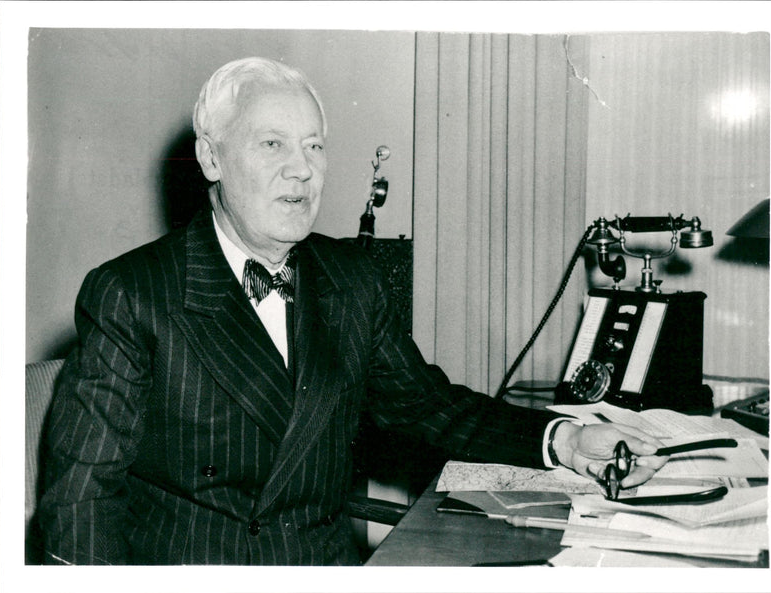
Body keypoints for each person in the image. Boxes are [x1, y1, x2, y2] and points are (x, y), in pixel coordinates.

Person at [38, 56, 667, 566]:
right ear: (211, 158)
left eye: (314, 147)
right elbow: (80, 502)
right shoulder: (133, 293)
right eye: (272, 143)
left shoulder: (351, 279)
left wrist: (566, 437)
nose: (301, 170)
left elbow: (428, 407)